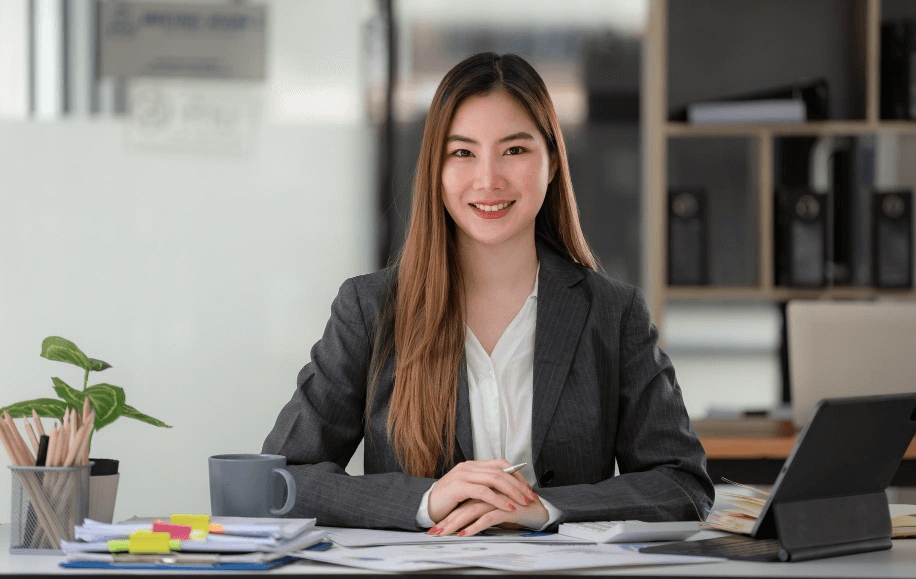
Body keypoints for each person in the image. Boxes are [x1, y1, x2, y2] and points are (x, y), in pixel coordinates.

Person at [262, 52, 713, 536]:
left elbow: (683, 485)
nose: (489, 180)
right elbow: (278, 481)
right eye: (463, 153)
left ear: (552, 163)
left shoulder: (613, 314)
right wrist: (426, 501)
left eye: (514, 150)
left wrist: (547, 508)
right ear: (435, 169)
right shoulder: (370, 309)